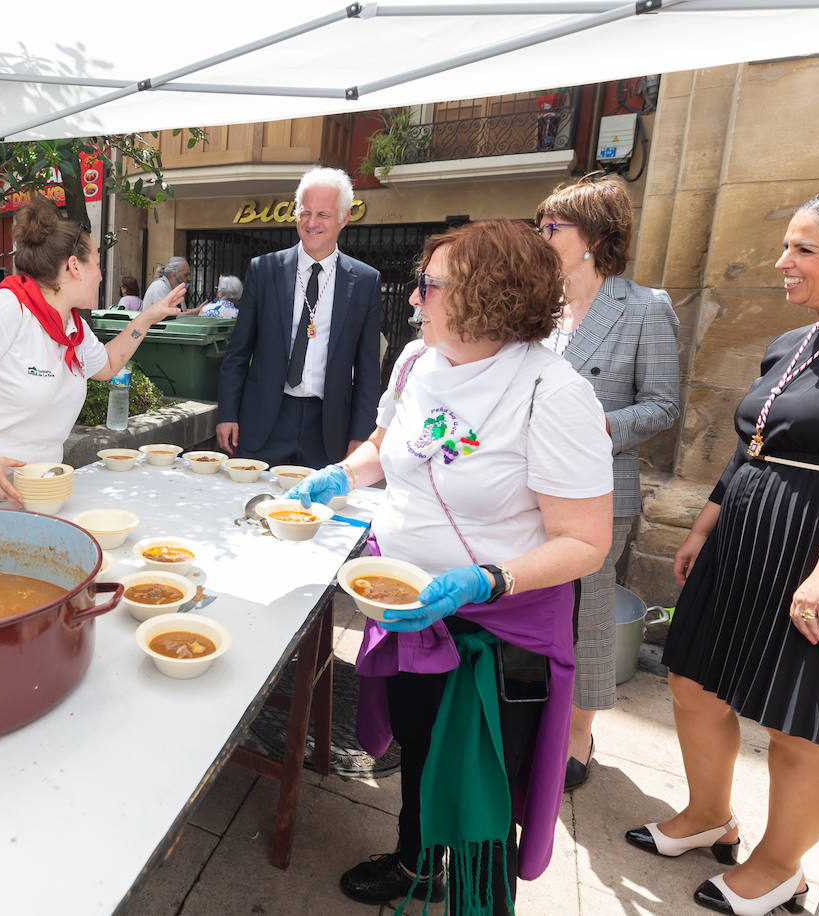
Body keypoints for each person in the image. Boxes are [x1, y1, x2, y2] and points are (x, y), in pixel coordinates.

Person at [289, 220, 612, 913]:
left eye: (429, 287)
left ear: (488, 297)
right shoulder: (415, 364)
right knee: (417, 741)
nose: (413, 300)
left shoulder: (552, 394)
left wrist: (487, 580)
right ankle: (415, 863)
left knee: (480, 784)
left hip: (498, 632)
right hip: (406, 606)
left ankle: (477, 898)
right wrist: (338, 475)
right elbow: (384, 448)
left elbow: (586, 541)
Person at [625, 184, 819, 916]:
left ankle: (780, 865)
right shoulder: (792, 341)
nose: (781, 261)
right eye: (786, 245)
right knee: (692, 682)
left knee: (800, 728)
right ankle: (707, 816)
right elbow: (751, 445)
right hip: (746, 538)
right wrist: (703, 526)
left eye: (803, 249)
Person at [534, 174, 681, 789]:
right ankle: (536, 717)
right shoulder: (536, 305)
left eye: (552, 228)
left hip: (599, 487)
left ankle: (578, 734)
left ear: (594, 236)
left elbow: (663, 406)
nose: (540, 236)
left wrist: (588, 426)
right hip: (532, 484)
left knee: (588, 616)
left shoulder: (646, 306)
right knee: (536, 607)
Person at [0, 195, 185, 506]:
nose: (102, 275)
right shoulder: (2, 312)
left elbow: (106, 366)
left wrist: (147, 317)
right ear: (75, 266)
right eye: (97, 264)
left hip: (27, 495)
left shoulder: (72, 328)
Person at [216, 167, 381, 467]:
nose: (312, 223)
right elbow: (238, 352)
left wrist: (361, 433)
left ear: (344, 218)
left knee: (317, 512)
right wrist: (227, 413)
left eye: (323, 214)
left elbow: (368, 369)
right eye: (305, 213)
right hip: (265, 419)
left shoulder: (365, 281)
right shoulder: (264, 270)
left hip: (329, 427)